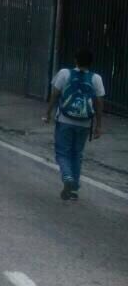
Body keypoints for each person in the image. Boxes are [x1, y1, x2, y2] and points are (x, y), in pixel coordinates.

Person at [43, 48, 105, 201]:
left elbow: (55, 94)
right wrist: (98, 125)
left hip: (65, 120)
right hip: (84, 123)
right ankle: (74, 190)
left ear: (76, 61)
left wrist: (47, 113)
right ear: (91, 63)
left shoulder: (65, 73)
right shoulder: (96, 78)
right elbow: (99, 103)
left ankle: (68, 177)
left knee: (62, 152)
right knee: (77, 155)